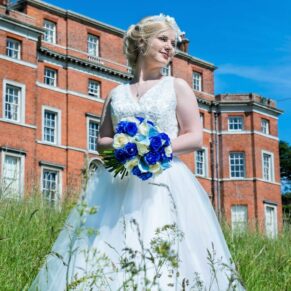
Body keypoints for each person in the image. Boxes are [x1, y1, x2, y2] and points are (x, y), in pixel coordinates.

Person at [29, 14, 245, 290]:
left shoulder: (176, 86)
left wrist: (154, 145)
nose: (171, 47)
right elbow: (102, 140)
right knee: (107, 248)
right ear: (142, 41)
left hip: (164, 180)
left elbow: (194, 137)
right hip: (117, 184)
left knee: (162, 250)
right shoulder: (116, 93)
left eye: (174, 43)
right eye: (163, 39)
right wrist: (124, 146)